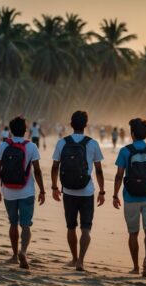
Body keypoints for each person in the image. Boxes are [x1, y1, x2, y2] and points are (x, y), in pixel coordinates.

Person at [51, 111, 105, 271]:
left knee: (70, 227)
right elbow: (99, 170)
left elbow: (55, 167)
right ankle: (81, 261)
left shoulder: (62, 143)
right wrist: (102, 191)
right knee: (86, 228)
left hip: (68, 190)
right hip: (87, 191)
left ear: (71, 124)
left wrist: (54, 187)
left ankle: (74, 258)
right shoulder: (92, 143)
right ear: (85, 125)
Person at [113, 118, 146, 277]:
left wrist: (115, 195)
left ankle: (135, 267)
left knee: (133, 234)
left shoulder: (125, 151)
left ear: (132, 133)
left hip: (130, 197)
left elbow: (119, 176)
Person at [0, 116, 46, 269]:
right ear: (25, 130)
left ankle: (15, 255)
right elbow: (37, 171)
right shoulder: (31, 147)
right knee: (25, 226)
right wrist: (43, 190)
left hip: (8, 191)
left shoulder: (3, 145)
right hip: (27, 191)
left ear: (10, 130)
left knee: (13, 223)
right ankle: (23, 251)